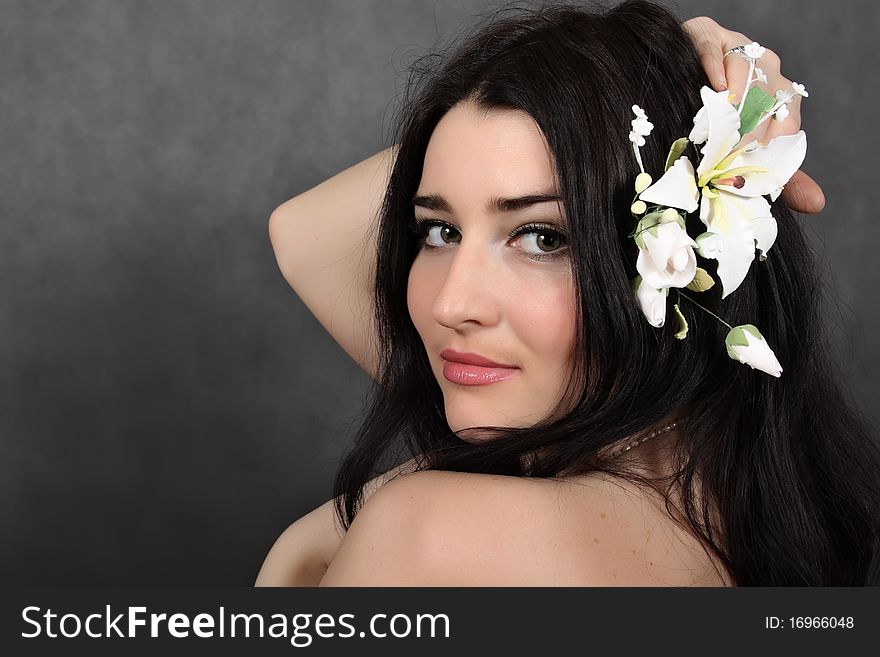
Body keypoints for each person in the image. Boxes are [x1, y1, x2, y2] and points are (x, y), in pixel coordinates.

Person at [255, 1, 878, 586]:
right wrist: (641, 81)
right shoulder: (753, 511)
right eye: (440, 231)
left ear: (679, 254)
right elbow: (301, 235)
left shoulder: (432, 536)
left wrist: (647, 95)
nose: (450, 306)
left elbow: (305, 234)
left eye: (543, 239)